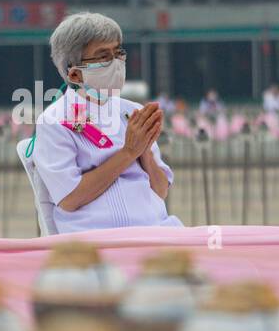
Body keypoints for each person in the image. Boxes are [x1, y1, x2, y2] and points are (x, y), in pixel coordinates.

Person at [31, 12, 182, 234]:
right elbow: (70, 198)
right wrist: (129, 153)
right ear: (74, 75)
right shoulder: (55, 121)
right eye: (103, 57)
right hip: (97, 238)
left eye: (118, 53)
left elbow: (160, 190)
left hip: (155, 229)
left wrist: (145, 152)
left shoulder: (133, 112)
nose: (116, 63)